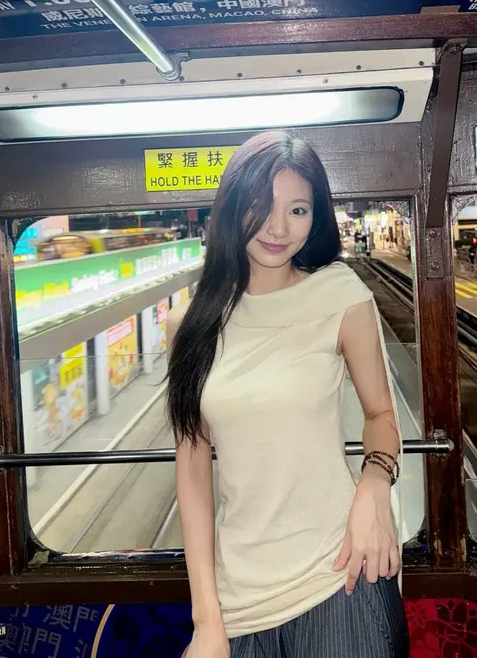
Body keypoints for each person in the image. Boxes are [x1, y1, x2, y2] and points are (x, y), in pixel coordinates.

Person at [166, 131, 408, 658]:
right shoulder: (188, 325)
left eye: (297, 210)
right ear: (232, 208)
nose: (278, 228)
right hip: (240, 598)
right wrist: (207, 619)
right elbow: (193, 472)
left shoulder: (341, 296)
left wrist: (374, 484)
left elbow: (381, 415)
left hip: (342, 573)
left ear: (315, 218)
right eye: (261, 206)